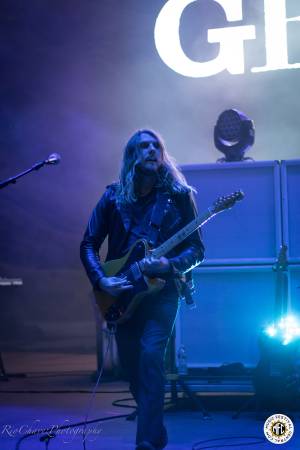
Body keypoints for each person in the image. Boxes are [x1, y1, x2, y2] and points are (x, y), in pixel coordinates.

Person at [80, 129, 204, 450]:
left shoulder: (178, 195)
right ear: (131, 156)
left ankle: (146, 442)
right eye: (143, 146)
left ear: (162, 154)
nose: (151, 150)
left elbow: (196, 250)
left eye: (156, 146)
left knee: (151, 356)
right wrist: (101, 280)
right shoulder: (112, 197)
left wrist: (170, 265)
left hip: (162, 292)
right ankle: (156, 432)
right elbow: (89, 243)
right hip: (121, 295)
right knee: (133, 368)